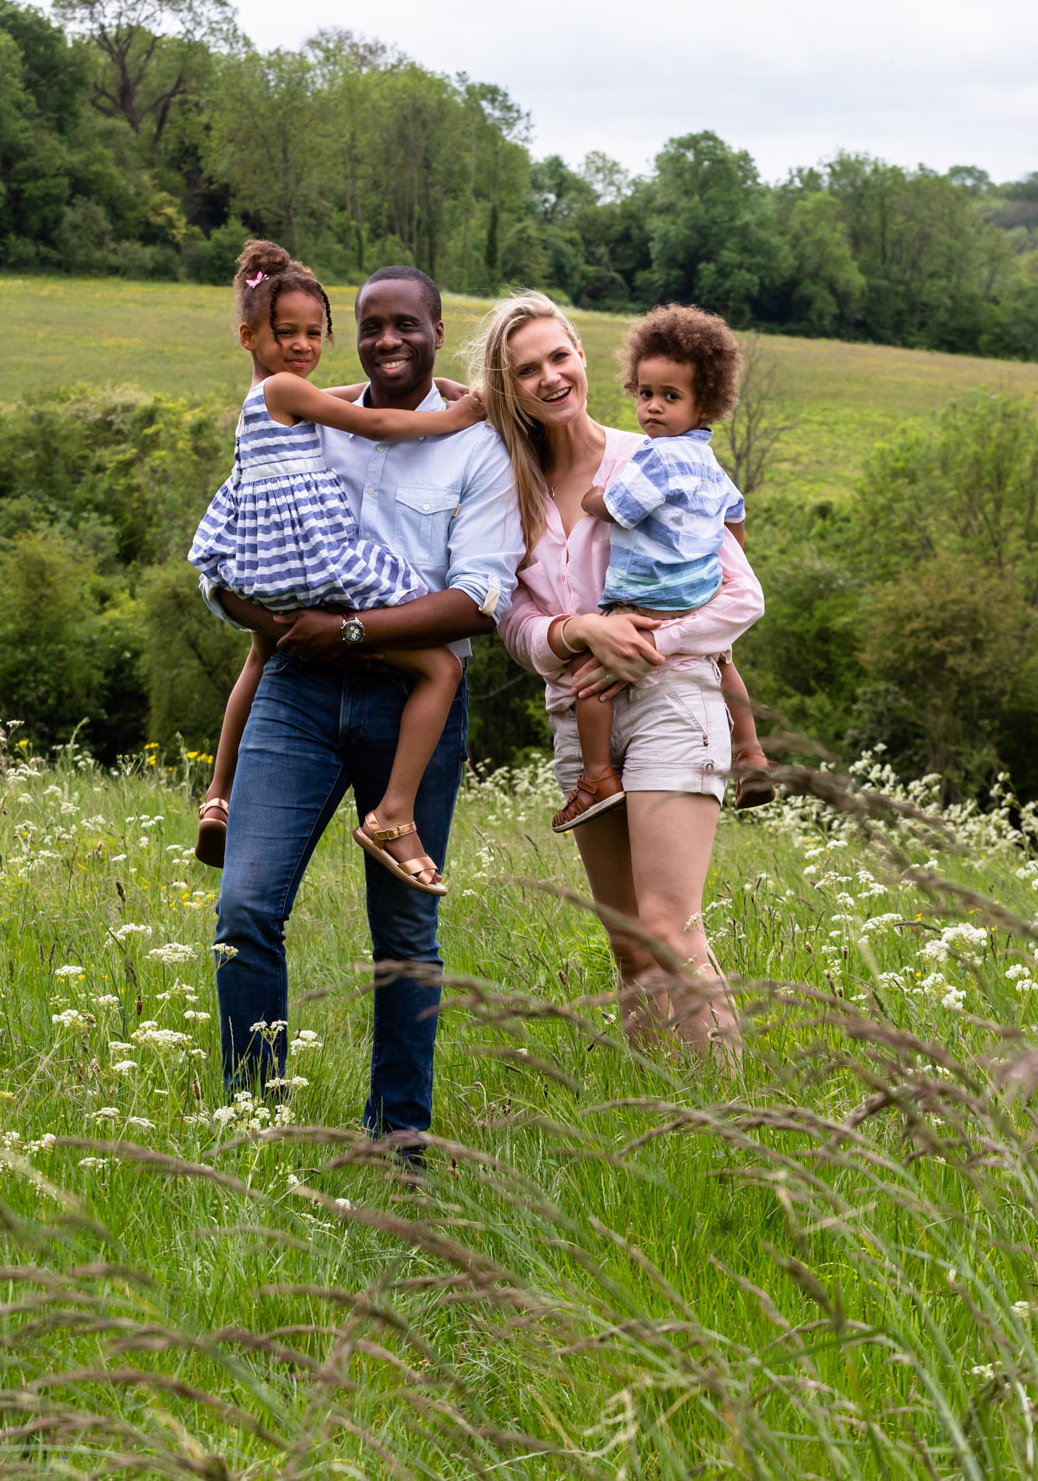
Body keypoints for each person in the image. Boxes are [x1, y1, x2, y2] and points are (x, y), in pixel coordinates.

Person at [201, 263, 522, 1146]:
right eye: (372, 324)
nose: (387, 340)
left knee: (405, 936)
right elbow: (243, 538)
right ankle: (254, 1125)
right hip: (297, 695)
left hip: (405, 703)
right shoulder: (311, 417)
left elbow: (481, 601)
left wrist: (348, 632)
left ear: (435, 327)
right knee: (245, 913)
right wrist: (277, 625)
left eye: (406, 325)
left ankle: (399, 1145)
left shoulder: (480, 449)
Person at [484, 293, 763, 1052]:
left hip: (670, 697)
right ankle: (657, 1116)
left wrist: (649, 643)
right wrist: (578, 630)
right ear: (505, 387)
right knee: (631, 947)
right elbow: (507, 621)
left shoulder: (657, 460)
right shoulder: (505, 491)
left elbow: (742, 596)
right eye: (526, 369)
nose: (549, 377)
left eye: (559, 356)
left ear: (581, 355)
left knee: (670, 928)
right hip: (582, 719)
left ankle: (727, 1119)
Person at [187, 242, 485, 894]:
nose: (301, 345)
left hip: (262, 561)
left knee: (261, 658)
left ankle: (219, 794)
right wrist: (458, 412)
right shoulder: (292, 390)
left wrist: (435, 390)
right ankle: (393, 812)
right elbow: (372, 419)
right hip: (315, 559)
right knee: (439, 664)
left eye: (313, 333)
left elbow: (334, 397)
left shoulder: (269, 393)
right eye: (284, 332)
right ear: (248, 334)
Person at [555, 305, 775, 834]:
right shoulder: (710, 465)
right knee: (723, 663)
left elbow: (619, 508)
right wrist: (706, 576)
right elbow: (735, 524)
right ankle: (750, 755)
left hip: (642, 605)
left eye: (670, 397)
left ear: (704, 405)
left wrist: (592, 498)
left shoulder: (657, 458)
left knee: (590, 685)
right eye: (646, 393)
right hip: (694, 601)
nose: (653, 408)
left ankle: (597, 778)